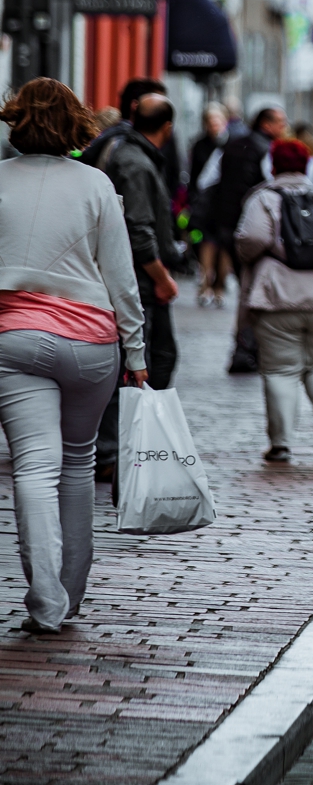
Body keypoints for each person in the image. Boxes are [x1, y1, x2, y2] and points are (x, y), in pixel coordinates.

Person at [0, 79, 147, 633]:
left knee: (34, 467)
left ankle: (44, 600)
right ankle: (73, 592)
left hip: (14, 337)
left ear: (16, 121)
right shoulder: (96, 185)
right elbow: (121, 279)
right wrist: (136, 351)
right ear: (75, 124)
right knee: (79, 463)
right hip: (91, 342)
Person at [235, 139, 313, 462]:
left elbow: (251, 239)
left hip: (278, 300)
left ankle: (281, 443)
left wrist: (270, 251)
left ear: (272, 165)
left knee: (280, 370)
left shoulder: (263, 199)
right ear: (307, 165)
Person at [90, 94, 187, 481]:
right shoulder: (135, 161)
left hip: (137, 278)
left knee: (157, 359)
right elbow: (139, 231)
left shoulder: (129, 152)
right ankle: (114, 452)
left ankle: (134, 443)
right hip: (138, 281)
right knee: (139, 366)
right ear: (167, 127)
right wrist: (161, 277)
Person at [211, 106, 287, 372]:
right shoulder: (266, 149)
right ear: (267, 124)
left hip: (229, 226)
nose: (283, 127)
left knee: (246, 289)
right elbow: (269, 186)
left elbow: (208, 182)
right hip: (254, 228)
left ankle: (246, 345)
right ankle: (250, 347)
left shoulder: (232, 145)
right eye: (280, 122)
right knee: (256, 290)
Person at [188, 103, 232, 307]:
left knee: (224, 245)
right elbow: (195, 175)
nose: (214, 125)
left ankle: (219, 287)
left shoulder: (232, 143)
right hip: (207, 202)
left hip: (226, 201)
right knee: (207, 242)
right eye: (210, 121)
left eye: (218, 121)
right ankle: (206, 285)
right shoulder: (199, 145)